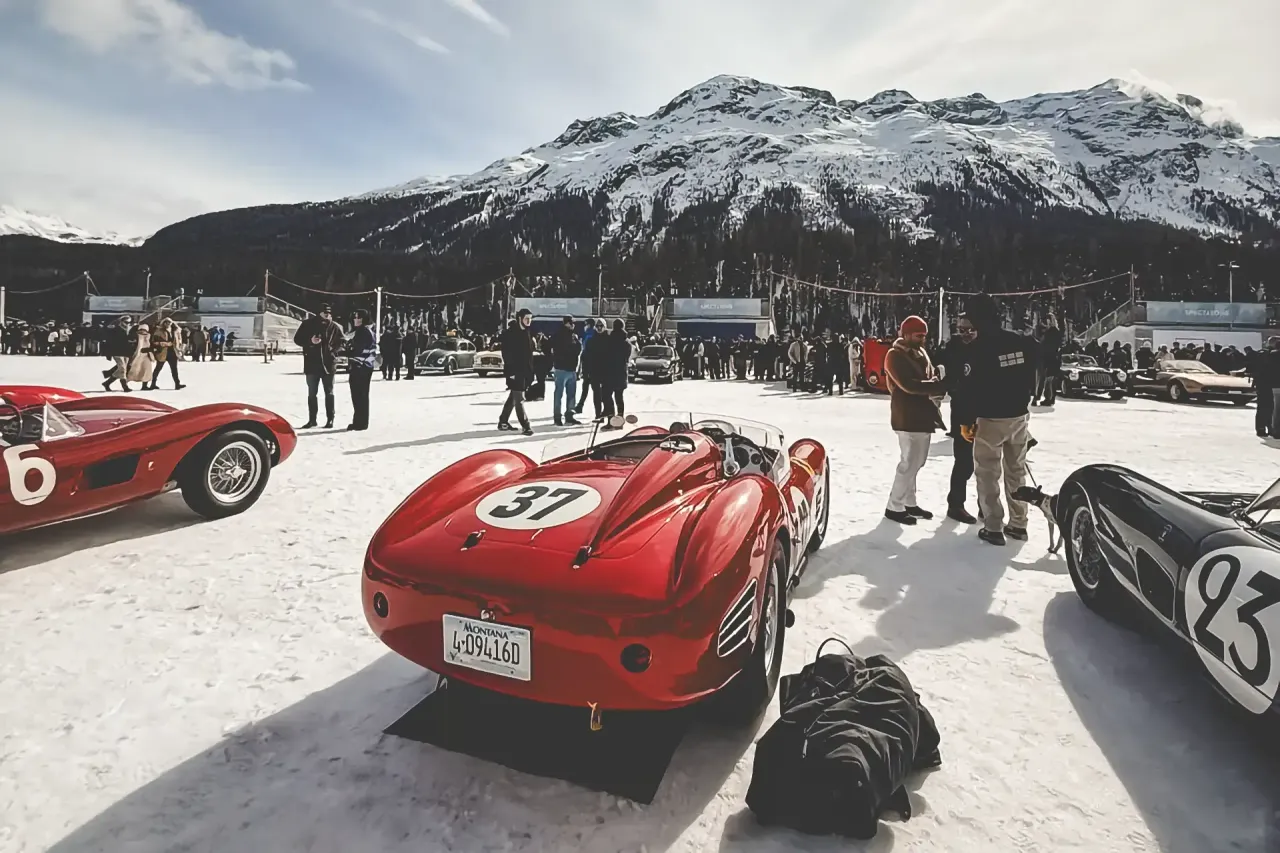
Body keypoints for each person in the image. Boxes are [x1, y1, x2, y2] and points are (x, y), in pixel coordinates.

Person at [964, 294, 1038, 546]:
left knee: (987, 473)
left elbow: (970, 389)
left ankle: (993, 525)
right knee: (1016, 471)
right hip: (1018, 416)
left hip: (990, 417)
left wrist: (966, 421)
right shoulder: (1020, 341)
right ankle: (1019, 523)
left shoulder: (977, 348)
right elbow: (1037, 363)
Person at [882, 316, 945, 525]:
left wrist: (936, 381)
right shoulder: (894, 355)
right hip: (906, 416)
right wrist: (937, 386)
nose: (922, 339)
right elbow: (908, 385)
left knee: (917, 462)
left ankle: (909, 502)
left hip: (922, 416)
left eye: (924, 335)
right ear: (906, 334)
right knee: (909, 463)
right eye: (919, 335)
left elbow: (927, 377)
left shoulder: (920, 352)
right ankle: (894, 506)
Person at [942, 314, 979, 523]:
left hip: (985, 414)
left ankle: (986, 506)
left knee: (984, 465)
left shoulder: (985, 347)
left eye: (970, 330)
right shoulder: (954, 348)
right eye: (962, 329)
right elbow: (952, 382)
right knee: (964, 462)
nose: (966, 334)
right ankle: (955, 504)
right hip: (963, 414)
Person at [293, 304, 345, 429]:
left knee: (329, 392)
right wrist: (310, 341)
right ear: (319, 312)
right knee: (312, 393)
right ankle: (312, 420)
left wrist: (333, 352)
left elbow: (342, 341)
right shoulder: (307, 324)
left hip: (328, 364)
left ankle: (330, 419)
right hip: (312, 363)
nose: (327, 314)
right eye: (324, 312)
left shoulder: (334, 326)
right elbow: (297, 339)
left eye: (329, 312)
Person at [499, 309, 535, 435]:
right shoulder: (510, 334)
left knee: (513, 398)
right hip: (514, 371)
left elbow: (529, 354)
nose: (529, 321)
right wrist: (511, 372)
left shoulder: (527, 332)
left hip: (524, 371)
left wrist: (530, 371)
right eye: (526, 318)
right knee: (519, 399)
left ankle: (503, 421)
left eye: (530, 319)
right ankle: (526, 426)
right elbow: (506, 354)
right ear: (520, 318)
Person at [346, 310, 376, 431]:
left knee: (359, 396)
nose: (356, 320)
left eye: (359, 318)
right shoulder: (367, 331)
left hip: (360, 366)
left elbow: (357, 350)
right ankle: (359, 421)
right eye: (355, 317)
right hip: (365, 366)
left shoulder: (362, 332)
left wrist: (346, 349)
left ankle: (360, 423)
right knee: (361, 396)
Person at [550, 315, 582, 426]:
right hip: (561, 368)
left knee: (570, 394)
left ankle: (569, 415)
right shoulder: (559, 335)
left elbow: (578, 349)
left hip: (571, 369)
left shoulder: (573, 336)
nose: (573, 325)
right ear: (566, 323)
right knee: (559, 394)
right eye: (571, 323)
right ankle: (558, 417)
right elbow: (550, 347)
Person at [600, 319, 632, 423]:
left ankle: (611, 419)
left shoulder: (609, 340)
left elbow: (604, 355)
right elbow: (627, 357)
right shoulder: (627, 342)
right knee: (619, 397)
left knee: (607, 396)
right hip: (621, 372)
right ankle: (620, 418)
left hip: (609, 372)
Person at [148, 318, 185, 390]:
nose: (168, 324)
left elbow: (178, 340)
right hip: (162, 352)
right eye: (166, 322)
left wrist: (179, 348)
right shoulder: (159, 331)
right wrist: (164, 343)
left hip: (173, 352)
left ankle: (177, 384)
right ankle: (153, 384)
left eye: (169, 322)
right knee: (158, 368)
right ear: (163, 323)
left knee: (174, 369)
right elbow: (154, 342)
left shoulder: (175, 330)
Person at [101, 316, 135, 392]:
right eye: (126, 322)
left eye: (129, 322)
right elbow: (109, 341)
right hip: (116, 351)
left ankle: (107, 383)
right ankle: (124, 386)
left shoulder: (129, 330)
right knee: (122, 368)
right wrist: (108, 353)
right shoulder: (115, 329)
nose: (127, 324)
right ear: (121, 322)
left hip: (126, 352)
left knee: (122, 369)